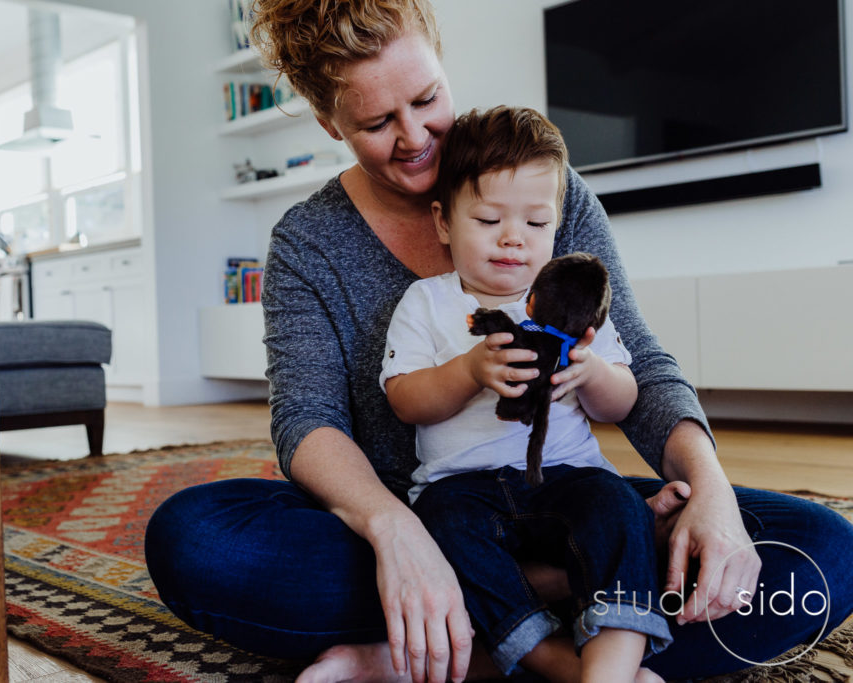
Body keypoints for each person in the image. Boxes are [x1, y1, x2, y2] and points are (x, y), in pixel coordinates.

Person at [144, 1, 853, 681]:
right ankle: (576, 588)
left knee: (824, 554)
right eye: (376, 121)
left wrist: (713, 492)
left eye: (426, 99)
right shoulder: (309, 242)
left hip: (559, 496)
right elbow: (306, 422)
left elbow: (637, 362)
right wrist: (397, 534)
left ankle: (423, 656)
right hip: (418, 506)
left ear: (444, 67)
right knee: (195, 538)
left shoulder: (547, 192)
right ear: (331, 124)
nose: (415, 136)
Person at [382, 104, 672, 682]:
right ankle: (560, 663)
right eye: (489, 220)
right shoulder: (428, 302)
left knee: (619, 509)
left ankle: (612, 666)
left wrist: (592, 373)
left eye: (537, 225)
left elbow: (622, 402)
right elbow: (404, 400)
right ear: (444, 222)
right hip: (461, 491)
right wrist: (466, 372)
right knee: (436, 533)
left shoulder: (573, 307)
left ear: (558, 228)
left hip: (565, 477)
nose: (513, 239)